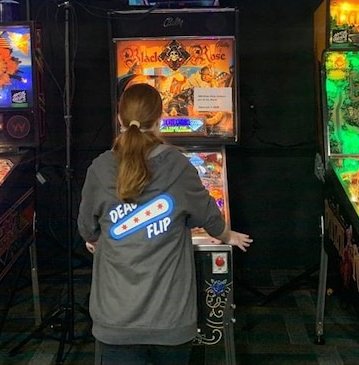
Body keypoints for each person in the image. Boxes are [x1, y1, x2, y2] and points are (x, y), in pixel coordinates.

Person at [78, 83, 252, 365]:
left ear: (119, 118)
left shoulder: (99, 168)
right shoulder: (178, 166)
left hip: (115, 318)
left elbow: (87, 227)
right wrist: (226, 234)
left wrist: (96, 236)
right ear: (160, 119)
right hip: (170, 318)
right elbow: (208, 214)